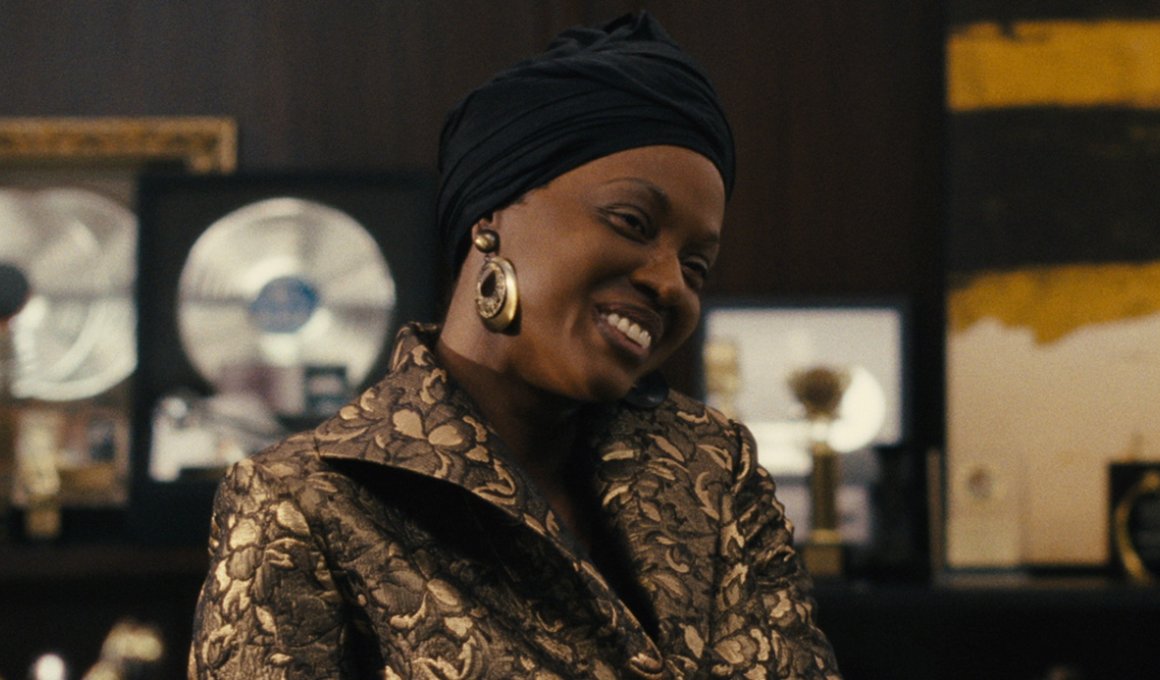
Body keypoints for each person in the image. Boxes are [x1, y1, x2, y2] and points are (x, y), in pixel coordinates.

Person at [189, 11, 841, 680]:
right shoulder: (306, 499)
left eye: (696, 266)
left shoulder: (713, 467)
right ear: (490, 215)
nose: (670, 283)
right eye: (632, 222)